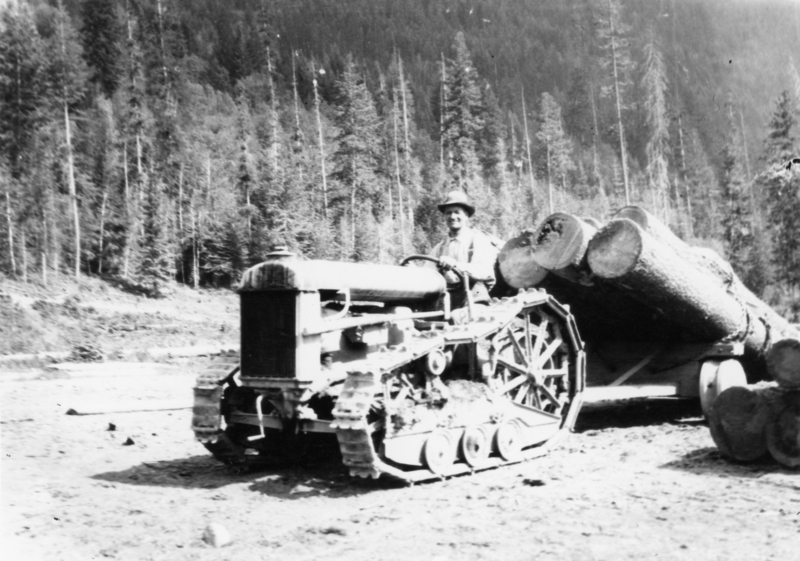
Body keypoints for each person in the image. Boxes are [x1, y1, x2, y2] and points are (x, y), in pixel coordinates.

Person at [429, 190, 499, 312]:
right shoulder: (439, 248)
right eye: (448, 213)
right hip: (448, 301)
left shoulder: (479, 241)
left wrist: (455, 265)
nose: (452, 217)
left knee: (457, 319)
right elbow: (428, 272)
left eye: (457, 212)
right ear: (444, 216)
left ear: (466, 215)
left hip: (476, 300)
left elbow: (484, 271)